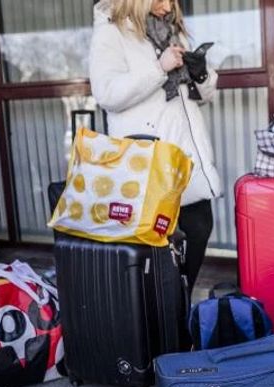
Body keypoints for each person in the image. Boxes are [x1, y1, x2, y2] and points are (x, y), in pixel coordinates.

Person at [89, 0, 222, 295]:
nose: (169, 6)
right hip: (147, 162)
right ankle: (163, 322)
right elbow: (107, 93)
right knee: (158, 255)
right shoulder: (112, 32)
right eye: (163, 0)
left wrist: (201, 74)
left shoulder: (174, 32)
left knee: (199, 228)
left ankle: (180, 309)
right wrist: (158, 68)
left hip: (186, 154)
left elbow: (200, 95)